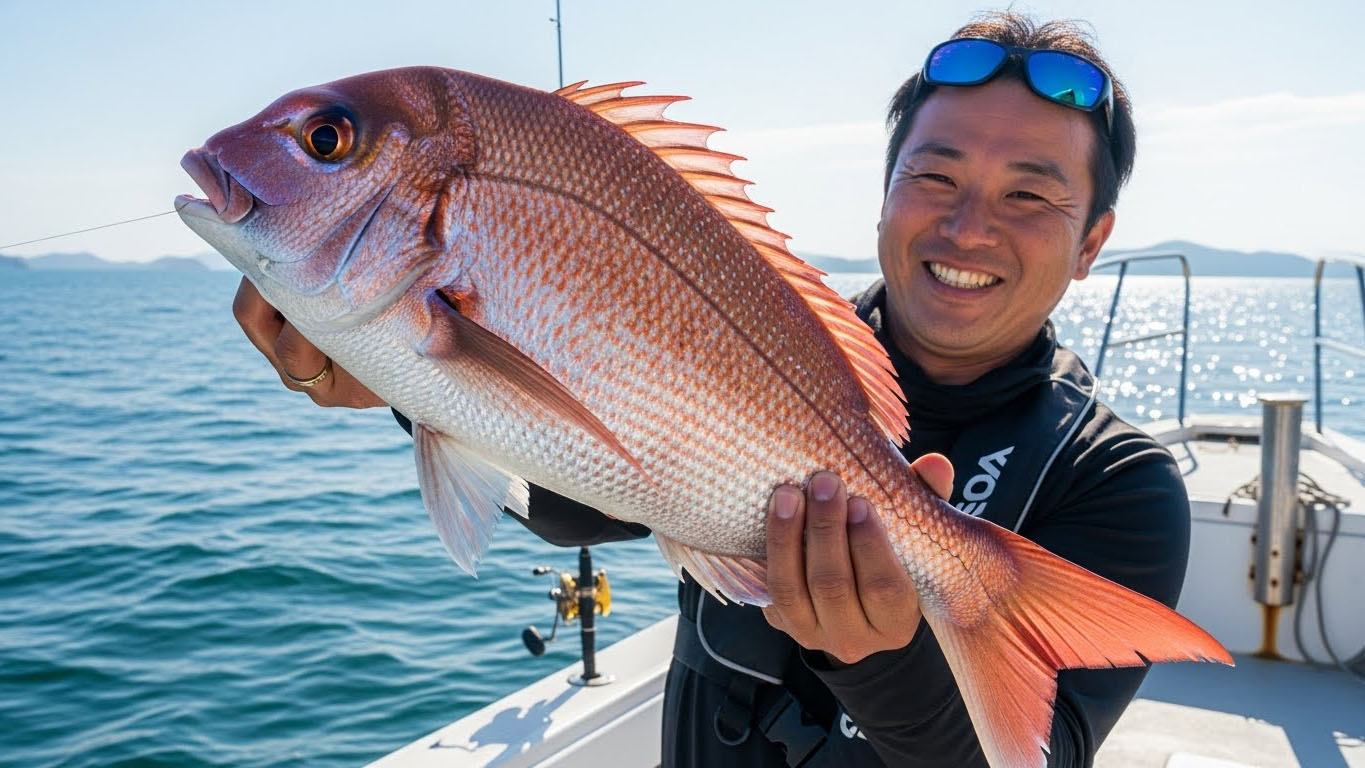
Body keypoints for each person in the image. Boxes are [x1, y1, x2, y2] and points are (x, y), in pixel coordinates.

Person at [232, 12, 1189, 767]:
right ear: (887, 191)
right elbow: (578, 504)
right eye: (933, 176)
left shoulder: (1119, 484)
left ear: (1091, 242)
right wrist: (407, 383)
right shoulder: (791, 341)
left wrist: (882, 651)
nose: (968, 226)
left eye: (1028, 194)